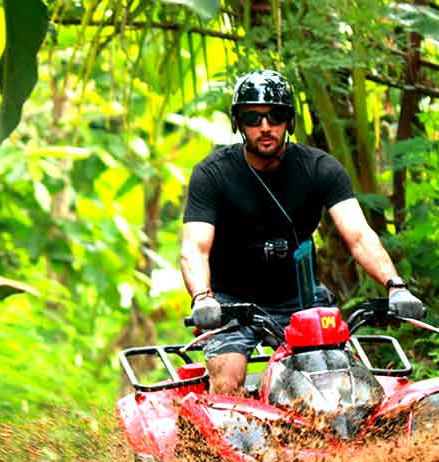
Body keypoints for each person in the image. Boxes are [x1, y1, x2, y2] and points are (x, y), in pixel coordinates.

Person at [180, 69, 425, 394]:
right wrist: (203, 298)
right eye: (253, 117)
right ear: (238, 123)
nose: (265, 126)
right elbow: (194, 248)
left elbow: (359, 235)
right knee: (227, 380)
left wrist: (396, 286)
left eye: (275, 116)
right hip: (230, 302)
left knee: (338, 383)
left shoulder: (320, 168)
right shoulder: (212, 174)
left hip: (299, 297)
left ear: (290, 121)